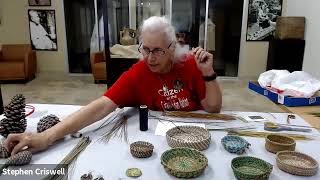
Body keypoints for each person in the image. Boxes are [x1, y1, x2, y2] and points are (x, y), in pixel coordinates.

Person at [5, 16, 222, 155]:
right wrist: (46, 136)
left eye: (158, 51)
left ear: (172, 48)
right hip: (157, 144)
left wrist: (208, 73)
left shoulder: (191, 64)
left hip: (196, 140)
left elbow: (213, 109)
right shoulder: (137, 74)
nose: (149, 58)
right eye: (145, 49)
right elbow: (100, 106)